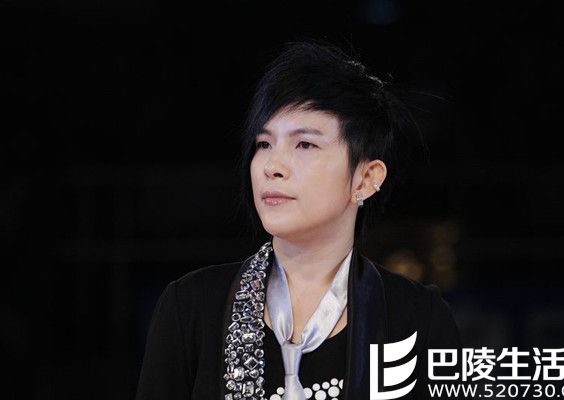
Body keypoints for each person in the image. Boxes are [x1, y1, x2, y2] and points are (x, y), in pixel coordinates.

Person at [135, 40, 462, 400]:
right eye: (264, 144)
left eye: (305, 144)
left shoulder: (416, 319)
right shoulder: (191, 307)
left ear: (366, 179)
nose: (272, 166)